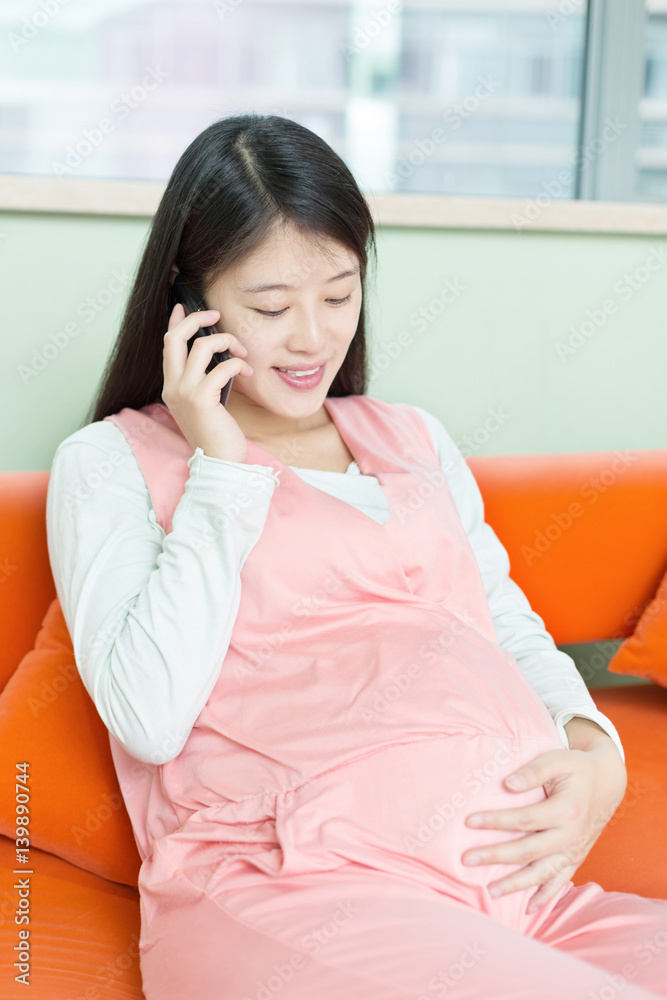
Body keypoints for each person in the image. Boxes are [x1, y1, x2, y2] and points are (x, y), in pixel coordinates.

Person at [46, 114, 667, 999]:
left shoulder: (411, 437)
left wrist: (593, 745)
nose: (311, 340)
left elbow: (504, 627)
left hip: (516, 898)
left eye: (339, 295)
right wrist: (219, 465)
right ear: (188, 302)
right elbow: (147, 716)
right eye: (269, 308)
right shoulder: (111, 463)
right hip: (295, 893)